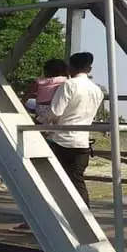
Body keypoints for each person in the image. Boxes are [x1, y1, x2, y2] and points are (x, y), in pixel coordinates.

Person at [46, 52, 105, 205]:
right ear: (89, 69)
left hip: (61, 141)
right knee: (77, 182)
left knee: (51, 181)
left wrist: (38, 120)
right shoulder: (97, 90)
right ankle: (85, 217)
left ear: (70, 68)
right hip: (82, 143)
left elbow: (55, 113)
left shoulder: (68, 85)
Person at [25, 59, 68, 123]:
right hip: (53, 108)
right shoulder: (64, 81)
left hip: (40, 108)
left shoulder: (39, 82)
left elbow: (29, 94)